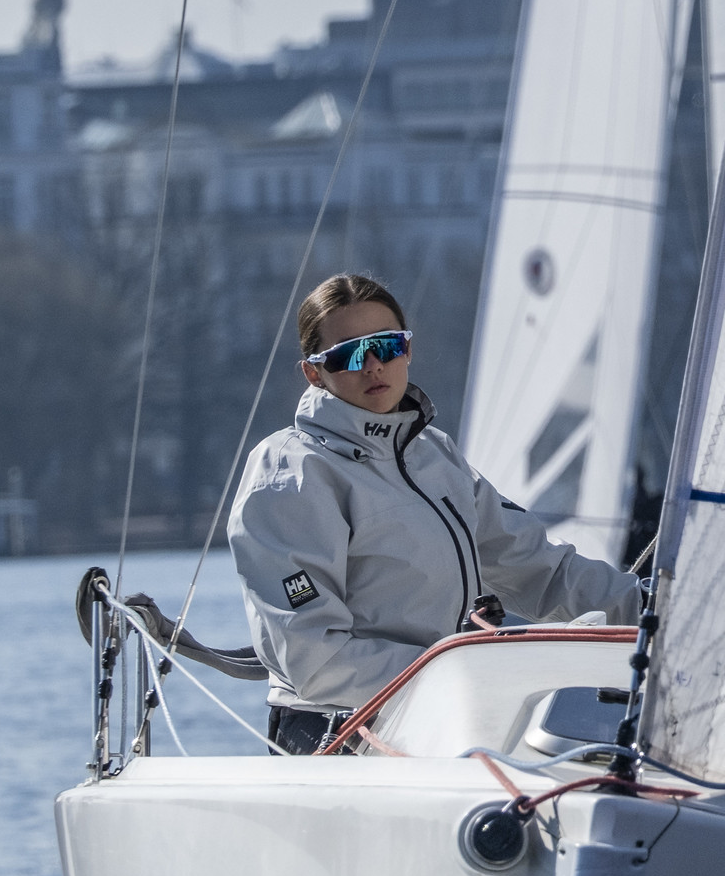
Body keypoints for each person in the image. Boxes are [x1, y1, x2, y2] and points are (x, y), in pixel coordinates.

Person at [229, 273, 641, 753]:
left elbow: (539, 568)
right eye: (349, 355)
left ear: (407, 349)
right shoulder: (291, 474)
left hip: (446, 712)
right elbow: (316, 660)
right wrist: (462, 674)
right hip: (337, 730)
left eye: (387, 346)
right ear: (314, 373)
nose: (374, 365)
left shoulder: (433, 455)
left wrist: (654, 610)